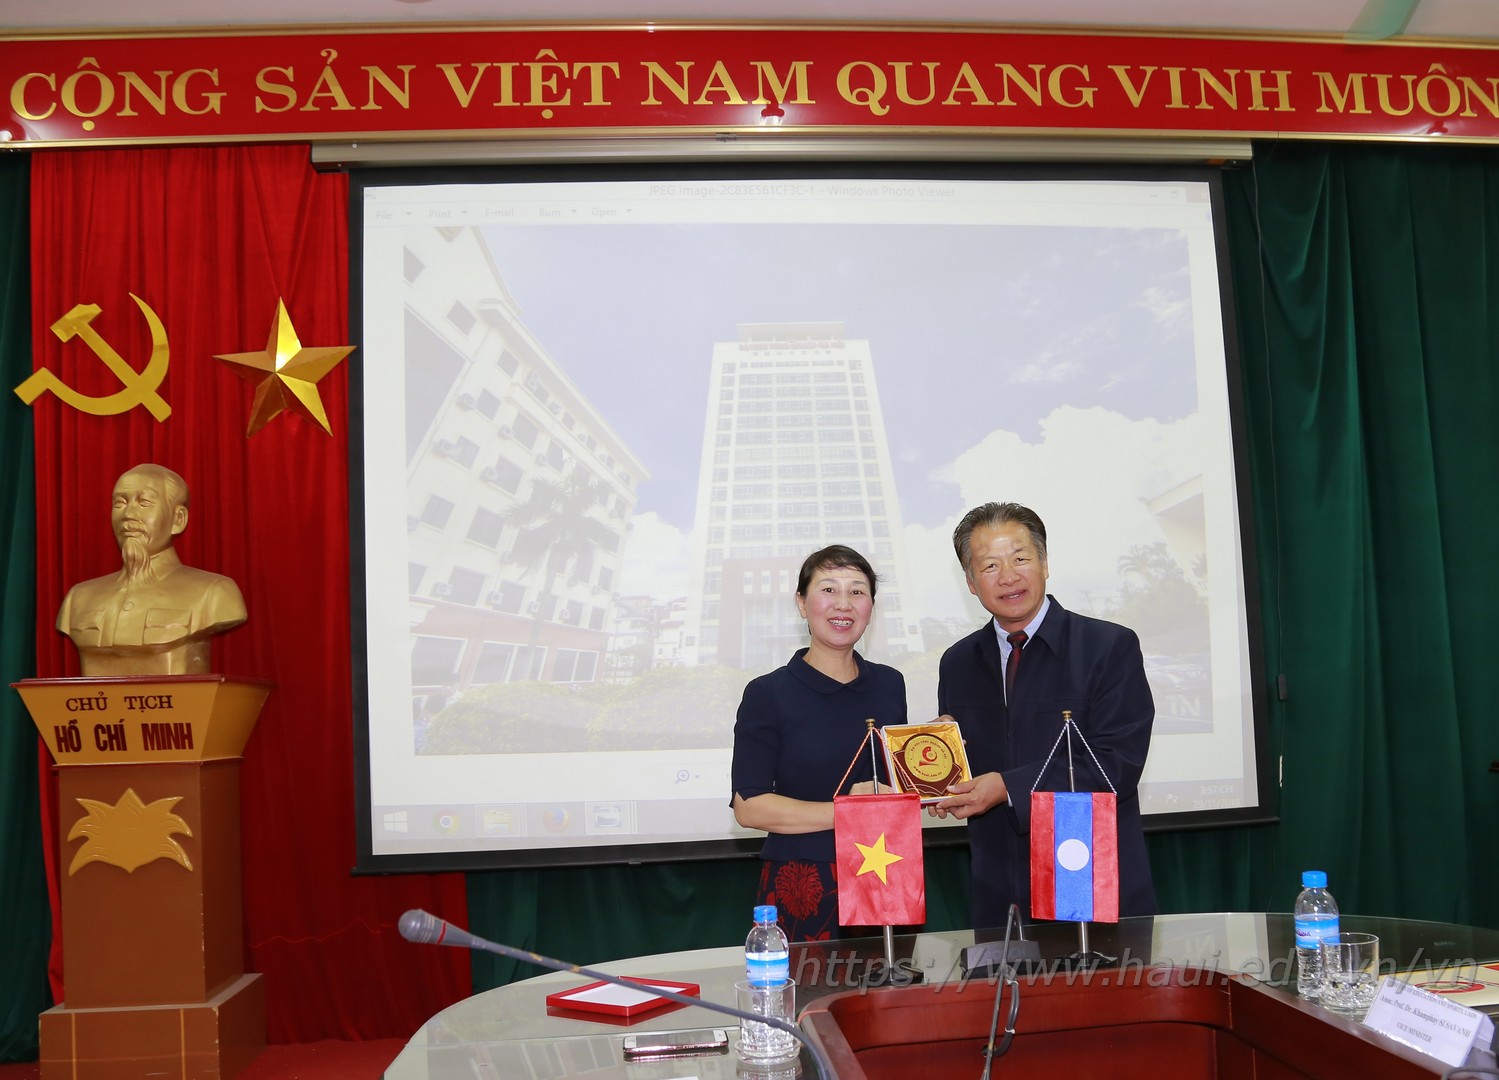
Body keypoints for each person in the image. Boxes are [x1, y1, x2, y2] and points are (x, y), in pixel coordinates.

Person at [931, 502, 1157, 931]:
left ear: (1045, 563)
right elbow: (961, 762)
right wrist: (941, 770)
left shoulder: (1108, 647)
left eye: (1020, 559)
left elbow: (1117, 764)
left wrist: (1006, 787)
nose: (1009, 576)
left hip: (1092, 886)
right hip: (999, 897)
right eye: (990, 565)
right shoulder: (957, 662)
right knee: (1003, 1000)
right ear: (971, 583)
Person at [730, 544, 908, 941]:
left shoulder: (890, 684)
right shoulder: (768, 693)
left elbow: (894, 786)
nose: (843, 603)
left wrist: (933, 756)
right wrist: (850, 811)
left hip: (888, 874)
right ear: (801, 602)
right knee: (808, 998)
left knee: (889, 997)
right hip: (804, 882)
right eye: (828, 589)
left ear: (871, 608)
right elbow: (749, 807)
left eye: (857, 591)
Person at [57, 463, 247, 677]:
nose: (128, 514)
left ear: (178, 519)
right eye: (120, 502)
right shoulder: (79, 598)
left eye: (144, 502)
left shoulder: (214, 592)